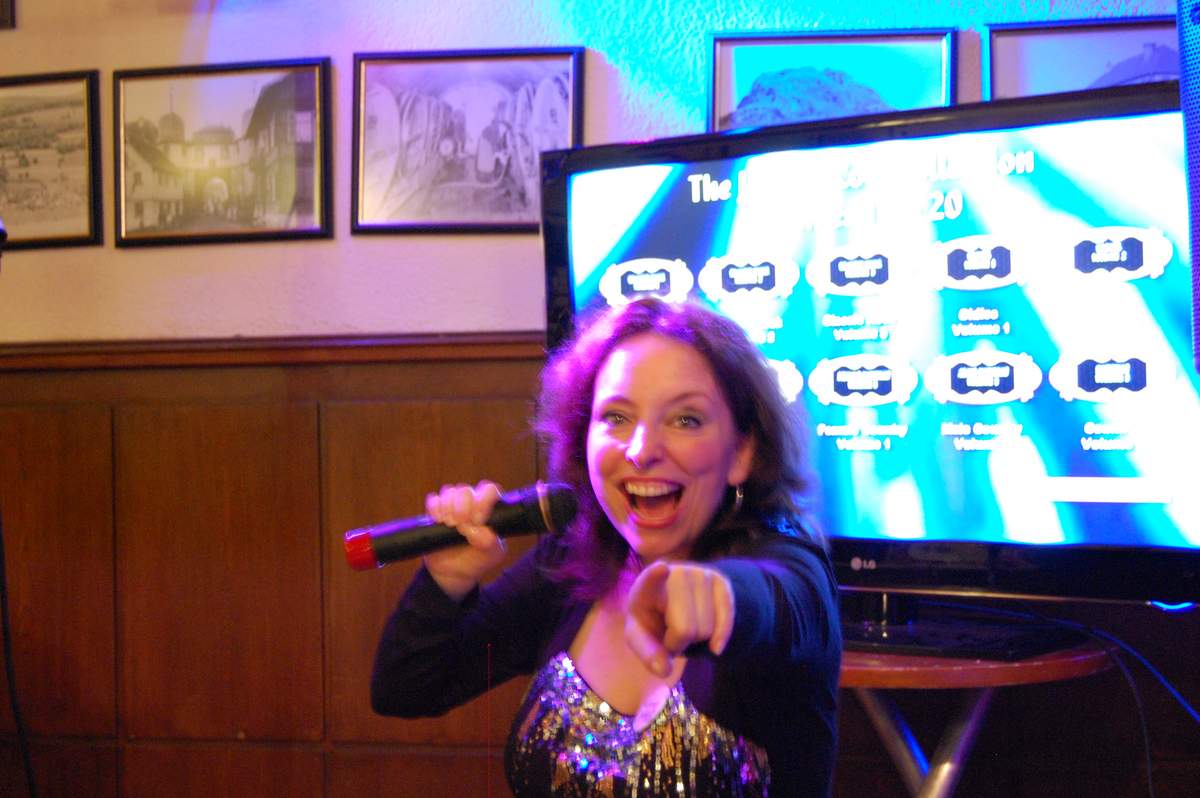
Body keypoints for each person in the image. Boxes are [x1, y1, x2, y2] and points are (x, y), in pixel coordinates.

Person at [370, 298, 841, 797]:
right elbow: (406, 687)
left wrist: (717, 594)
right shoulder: (568, 562)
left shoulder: (793, 565)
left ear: (742, 453)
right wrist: (446, 580)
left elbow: (777, 599)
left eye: (685, 420)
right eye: (616, 417)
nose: (641, 450)